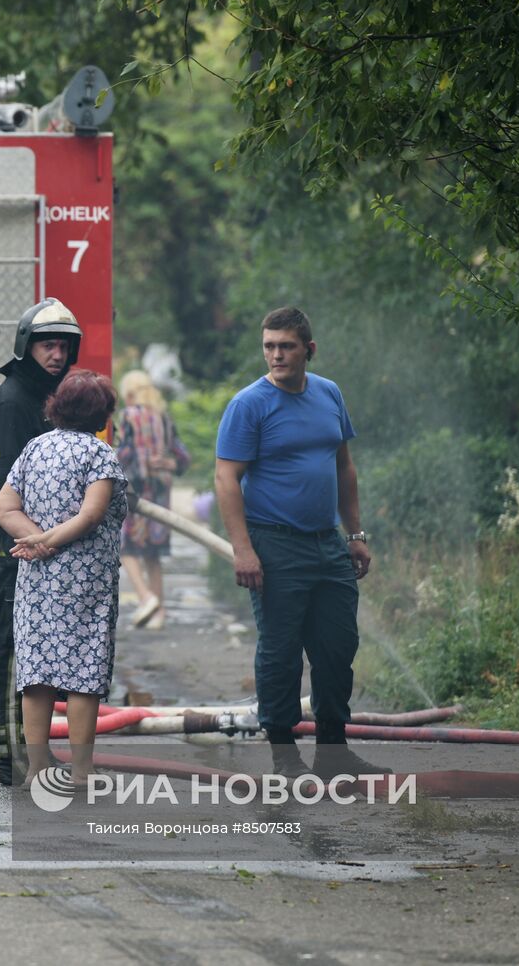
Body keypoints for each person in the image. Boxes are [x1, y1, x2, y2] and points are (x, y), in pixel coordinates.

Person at [213, 307, 385, 779]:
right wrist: (243, 549)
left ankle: (333, 753)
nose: (275, 355)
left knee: (337, 646)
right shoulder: (249, 404)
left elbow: (344, 467)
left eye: (285, 346)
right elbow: (227, 479)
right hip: (274, 543)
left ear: (308, 349)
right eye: (269, 346)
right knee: (281, 650)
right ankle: (284, 756)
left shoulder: (329, 393)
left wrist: (355, 535)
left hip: (327, 543)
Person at [0, 370, 127, 785]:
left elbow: (3, 505)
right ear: (102, 413)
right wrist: (50, 540)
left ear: (57, 407)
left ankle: (37, 768)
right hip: (86, 583)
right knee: (84, 674)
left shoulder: (35, 448)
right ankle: (83, 770)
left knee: (38, 674)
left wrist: (38, 542)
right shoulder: (100, 454)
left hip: (36, 581)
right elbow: (90, 515)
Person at [0, 297, 83, 786]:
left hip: (50, 543)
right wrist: (35, 543)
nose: (56, 354)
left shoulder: (51, 397)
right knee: (14, 648)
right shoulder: (12, 402)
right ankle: (14, 759)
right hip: (18, 544)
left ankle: (35, 753)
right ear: (27, 347)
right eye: (47, 344)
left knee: (44, 652)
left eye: (63, 345)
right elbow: (2, 490)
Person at [115, 370, 189, 629]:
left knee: (126, 547)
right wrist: (165, 463)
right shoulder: (164, 419)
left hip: (135, 493)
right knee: (152, 555)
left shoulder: (128, 416)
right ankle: (159, 615)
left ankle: (146, 598)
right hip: (159, 494)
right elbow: (182, 458)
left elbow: (122, 453)